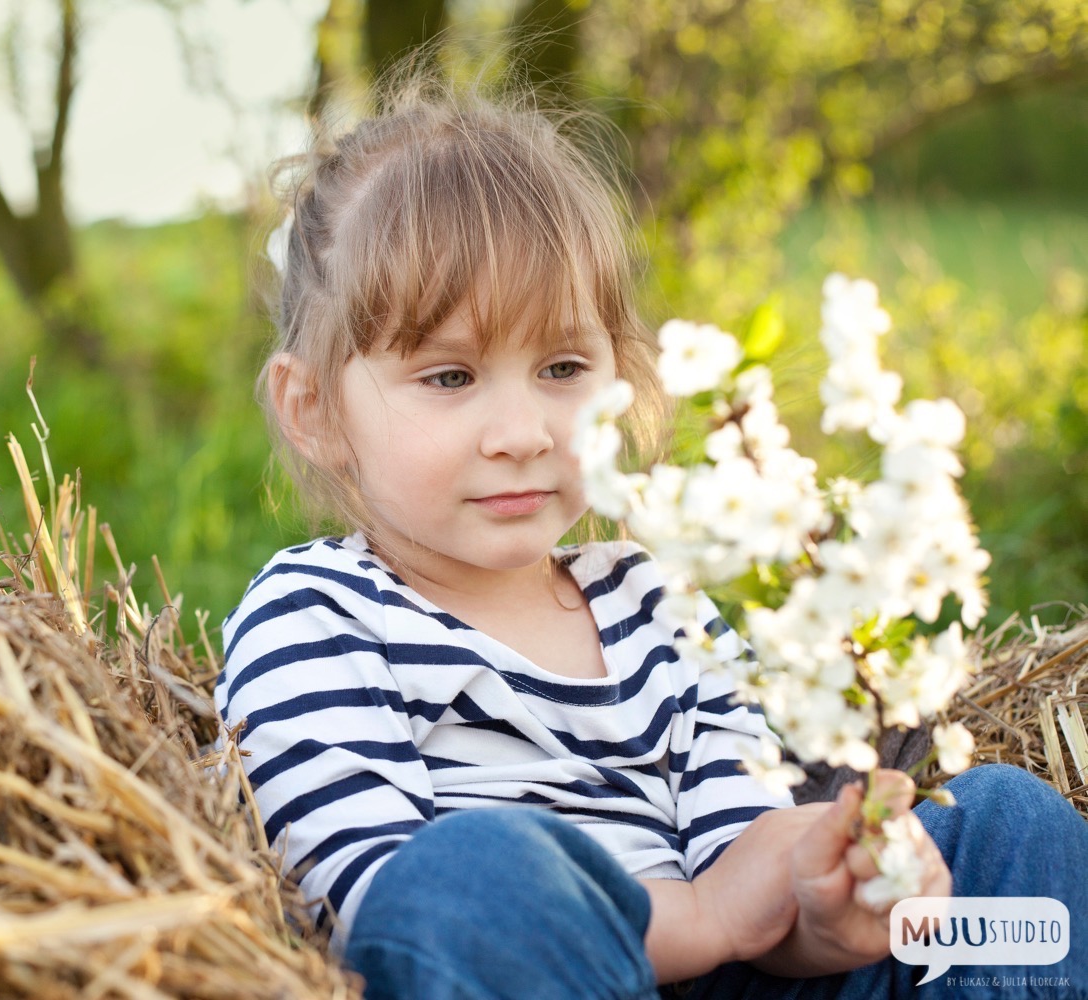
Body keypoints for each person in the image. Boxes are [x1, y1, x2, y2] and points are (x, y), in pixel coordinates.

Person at [215, 76, 1088, 1000]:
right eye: (448, 376)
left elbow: (743, 860)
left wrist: (821, 902)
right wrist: (703, 918)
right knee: (469, 873)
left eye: (562, 367)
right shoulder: (315, 616)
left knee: (1006, 825)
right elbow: (364, 905)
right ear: (314, 411)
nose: (524, 431)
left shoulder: (655, 600)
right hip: (542, 976)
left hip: (734, 981)